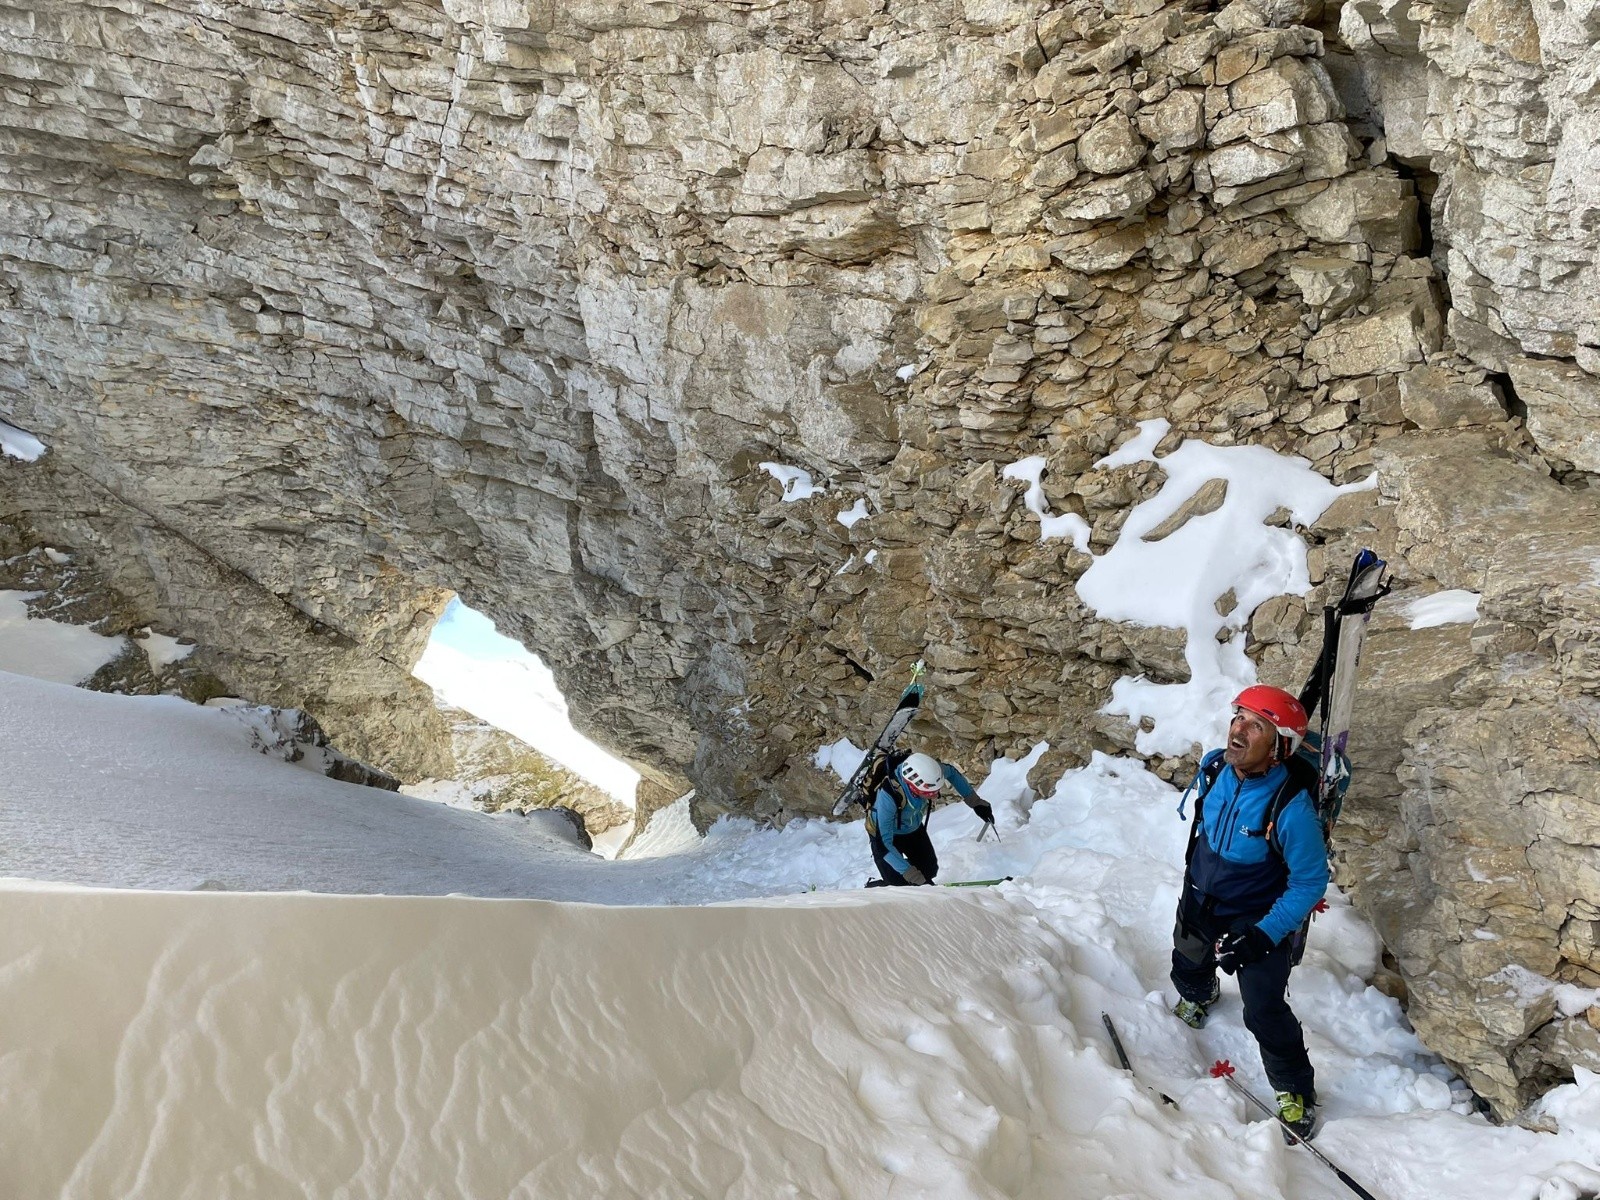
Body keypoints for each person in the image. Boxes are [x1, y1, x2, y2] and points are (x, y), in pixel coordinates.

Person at [1170, 685, 1331, 1141]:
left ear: (1279, 748)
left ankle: (1294, 1088)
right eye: (1239, 717)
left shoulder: (1291, 809)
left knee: (1263, 1007)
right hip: (1203, 891)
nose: (1238, 730)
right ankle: (1198, 993)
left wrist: (1263, 934)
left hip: (1257, 914)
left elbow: (1309, 883)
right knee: (1187, 955)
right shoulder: (1217, 768)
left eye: (1256, 725)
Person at [865, 751, 994, 886]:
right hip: (884, 833)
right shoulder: (888, 797)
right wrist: (914, 876)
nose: (935, 796)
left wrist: (976, 803)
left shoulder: (931, 772)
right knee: (897, 881)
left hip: (911, 826)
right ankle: (876, 885)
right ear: (913, 786)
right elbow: (884, 845)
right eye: (930, 792)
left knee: (929, 870)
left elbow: (952, 773)